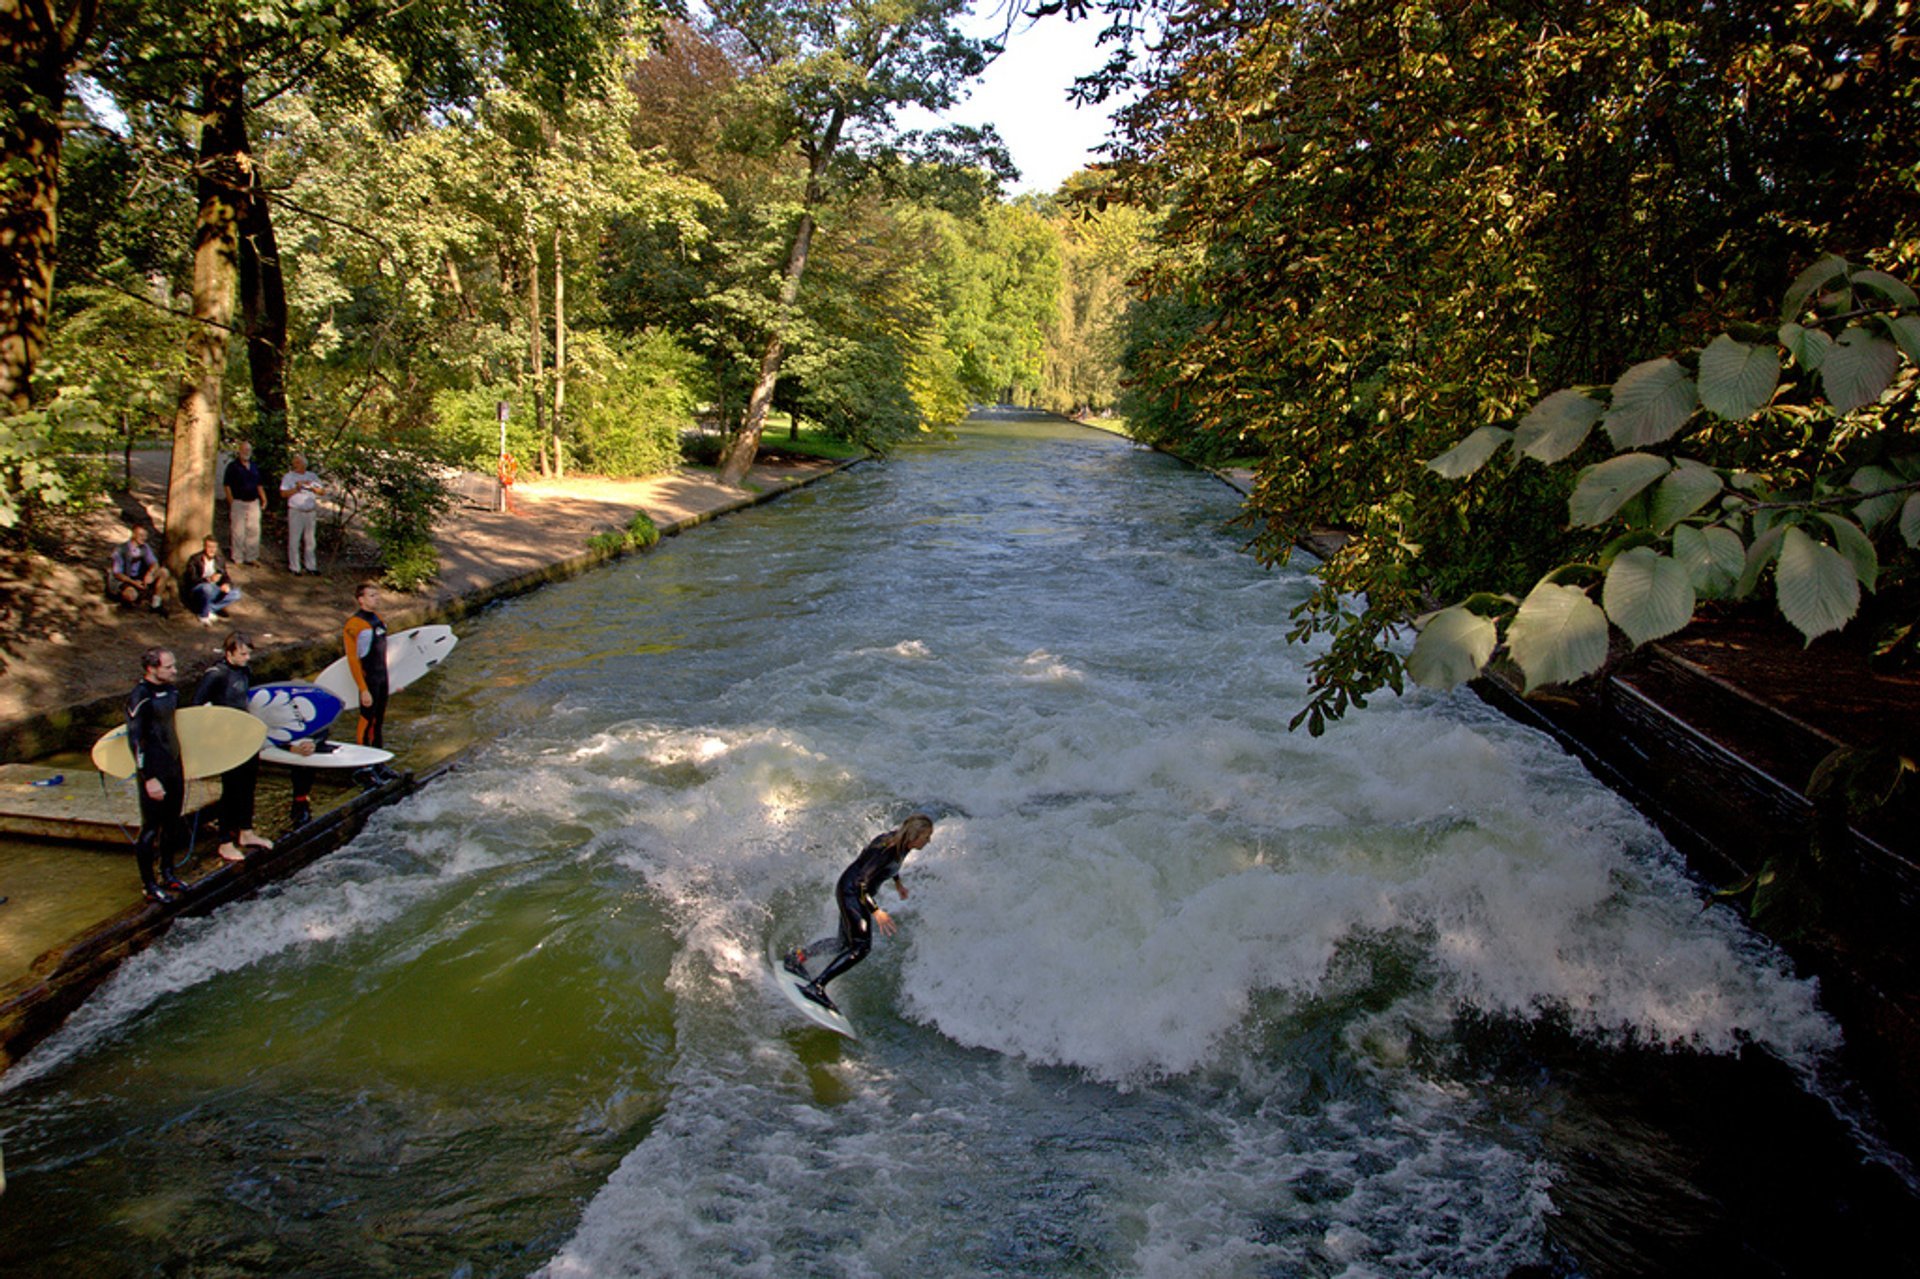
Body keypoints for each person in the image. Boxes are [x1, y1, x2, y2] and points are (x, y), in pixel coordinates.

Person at [785, 814, 936, 1012]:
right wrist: (877, 911)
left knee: (843, 943)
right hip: (853, 893)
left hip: (852, 891)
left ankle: (797, 957)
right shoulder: (888, 850)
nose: (928, 841)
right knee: (861, 947)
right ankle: (817, 986)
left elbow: (887, 868)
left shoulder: (899, 842)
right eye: (926, 837)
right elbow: (861, 882)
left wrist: (898, 883)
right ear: (914, 836)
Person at [191, 630, 272, 862]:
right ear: (229, 653)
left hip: (247, 736)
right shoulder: (215, 675)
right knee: (231, 789)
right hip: (226, 740)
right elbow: (198, 706)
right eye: (243, 653)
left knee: (248, 784)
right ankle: (225, 841)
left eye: (249, 653)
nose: (247, 657)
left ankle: (246, 831)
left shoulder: (245, 670)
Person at [127, 646, 188, 904]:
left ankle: (167, 872)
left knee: (173, 824)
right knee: (151, 829)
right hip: (154, 770)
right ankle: (149, 884)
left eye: (174, 665)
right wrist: (148, 777)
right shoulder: (139, 696)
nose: (174, 670)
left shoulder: (172, 690)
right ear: (152, 669)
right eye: (168, 667)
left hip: (174, 766)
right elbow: (136, 741)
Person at [342, 580, 400, 784]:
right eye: (372, 595)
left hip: (381, 678)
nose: (377, 598)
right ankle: (364, 767)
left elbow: (384, 654)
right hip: (368, 680)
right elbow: (353, 659)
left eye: (377, 595)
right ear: (361, 599)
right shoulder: (355, 625)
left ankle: (379, 763)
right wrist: (363, 689)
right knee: (366, 722)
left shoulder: (378, 619)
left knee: (379, 722)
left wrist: (393, 681)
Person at [107, 524, 173, 612]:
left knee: (164, 572)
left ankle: (156, 604)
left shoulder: (145, 548)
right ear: (134, 534)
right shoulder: (121, 550)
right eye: (141, 535)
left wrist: (150, 573)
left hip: (140, 577)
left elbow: (154, 563)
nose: (144, 538)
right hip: (125, 580)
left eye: (145, 536)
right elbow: (117, 573)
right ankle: (126, 601)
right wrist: (134, 583)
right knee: (131, 595)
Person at [222, 440, 267, 564]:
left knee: (253, 530)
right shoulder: (233, 466)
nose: (246, 452)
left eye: (248, 450)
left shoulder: (254, 466)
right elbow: (226, 485)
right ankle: (238, 557)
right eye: (244, 450)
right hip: (238, 502)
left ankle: (251, 557)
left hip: (253, 502)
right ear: (239, 451)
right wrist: (231, 501)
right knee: (238, 530)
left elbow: (259, 484)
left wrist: (263, 498)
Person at [280, 452, 325, 574]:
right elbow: (283, 494)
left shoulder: (312, 476)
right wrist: (296, 488)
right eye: (294, 462)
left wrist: (312, 487)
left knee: (310, 540)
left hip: (310, 512)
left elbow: (322, 491)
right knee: (294, 539)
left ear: (305, 464)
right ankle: (295, 567)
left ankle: (311, 566)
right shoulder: (289, 477)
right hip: (296, 511)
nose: (296, 465)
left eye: (298, 462)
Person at [182, 536, 242, 624]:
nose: (212, 550)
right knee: (207, 588)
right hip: (199, 589)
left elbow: (225, 575)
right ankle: (203, 615)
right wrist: (208, 579)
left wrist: (226, 584)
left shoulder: (219, 559)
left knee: (236, 593)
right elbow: (192, 579)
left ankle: (209, 609)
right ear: (204, 547)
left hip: (215, 588)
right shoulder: (195, 559)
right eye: (209, 547)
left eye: (214, 547)